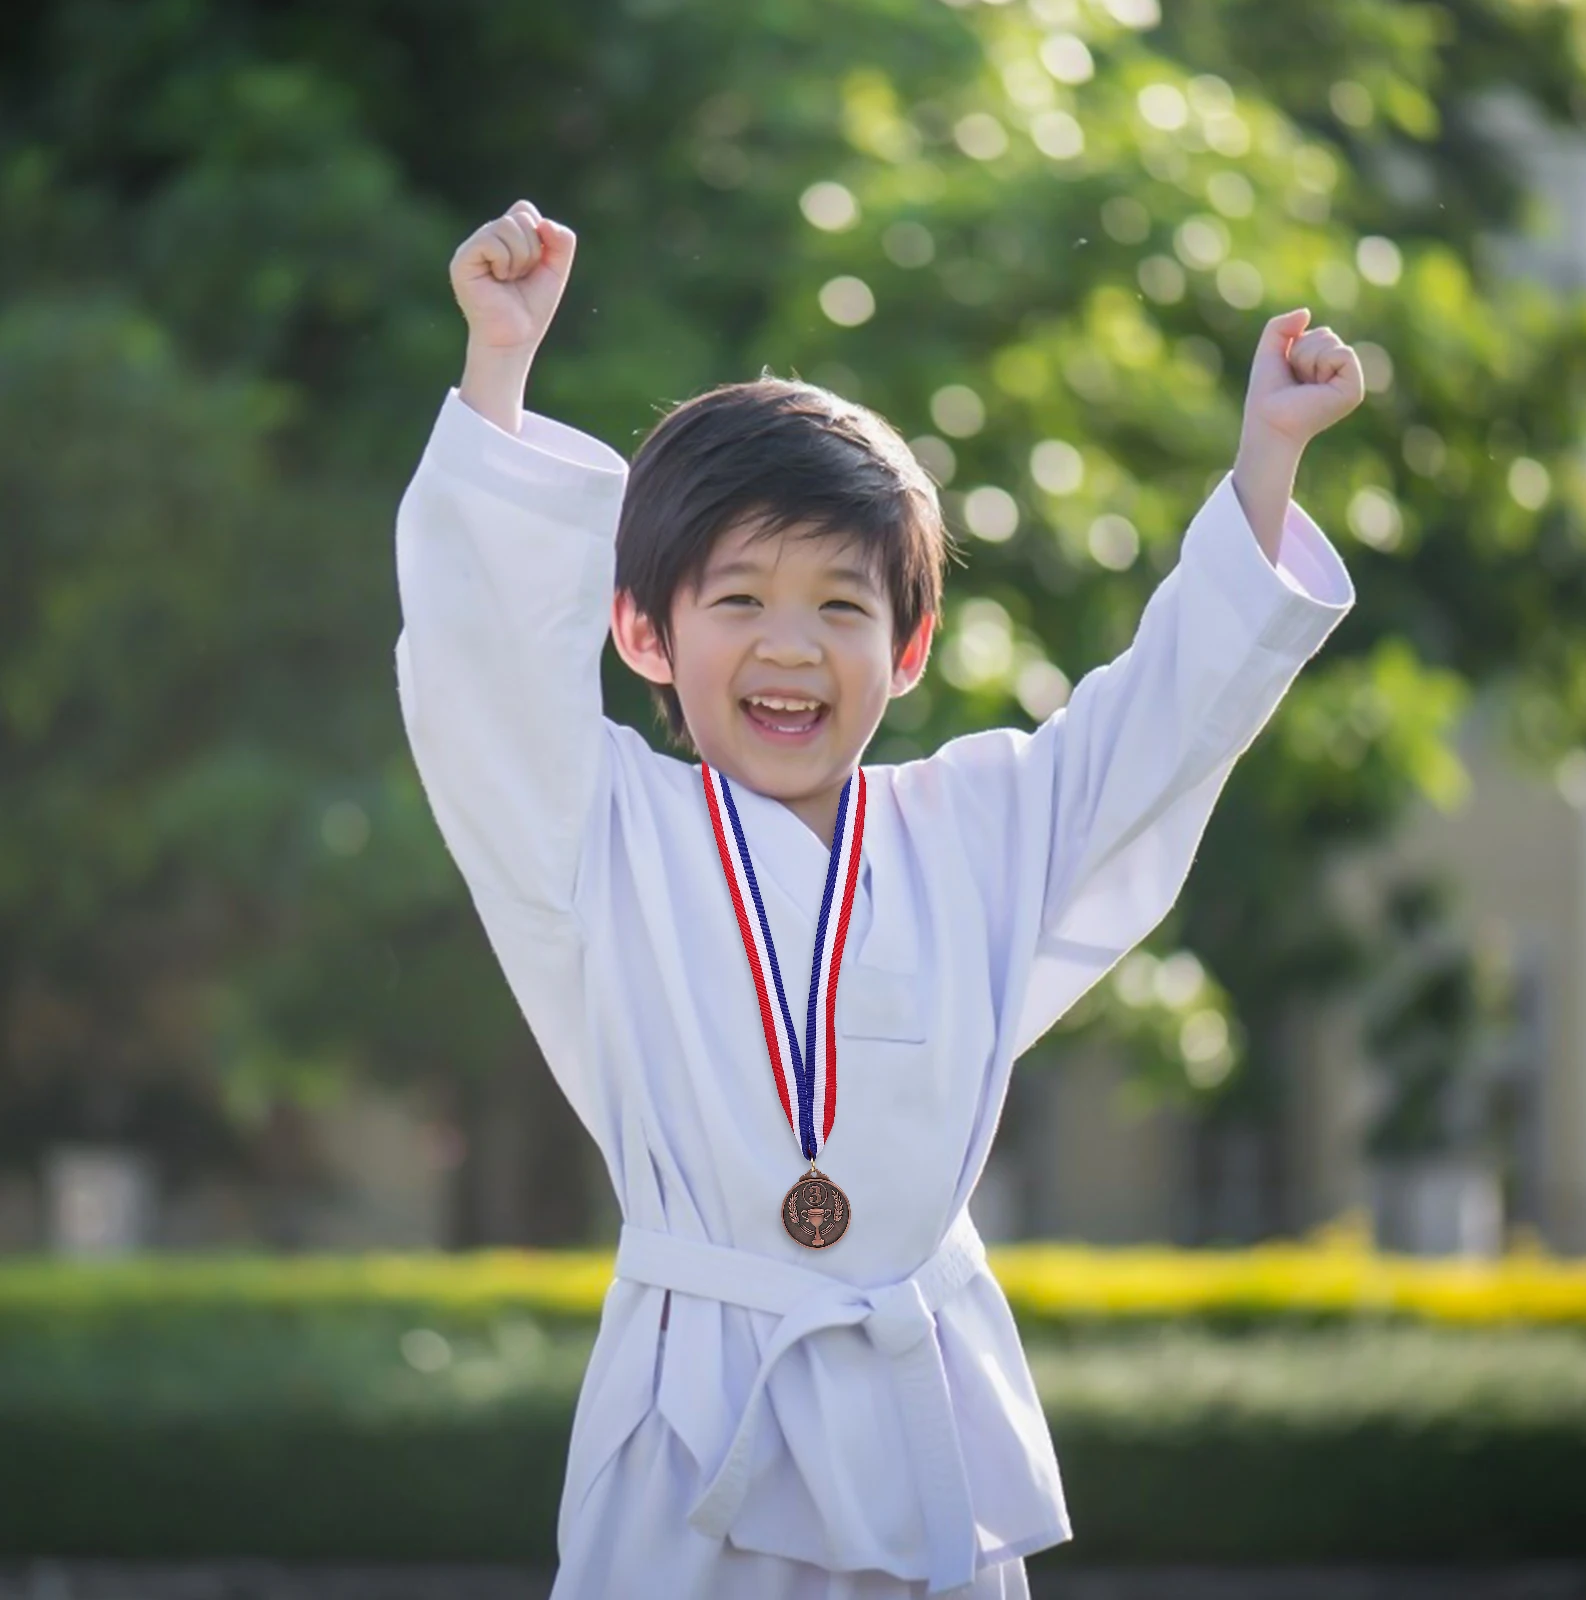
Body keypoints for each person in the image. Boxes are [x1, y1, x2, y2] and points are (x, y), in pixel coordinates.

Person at [394, 198, 1362, 1599]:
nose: (792, 648)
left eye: (842, 606)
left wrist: (1267, 458)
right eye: (740, 600)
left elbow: (1162, 727)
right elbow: (482, 666)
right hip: (690, 1443)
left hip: (924, 1435)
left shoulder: (977, 826)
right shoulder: (596, 831)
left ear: (909, 648)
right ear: (643, 632)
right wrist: (500, 364)